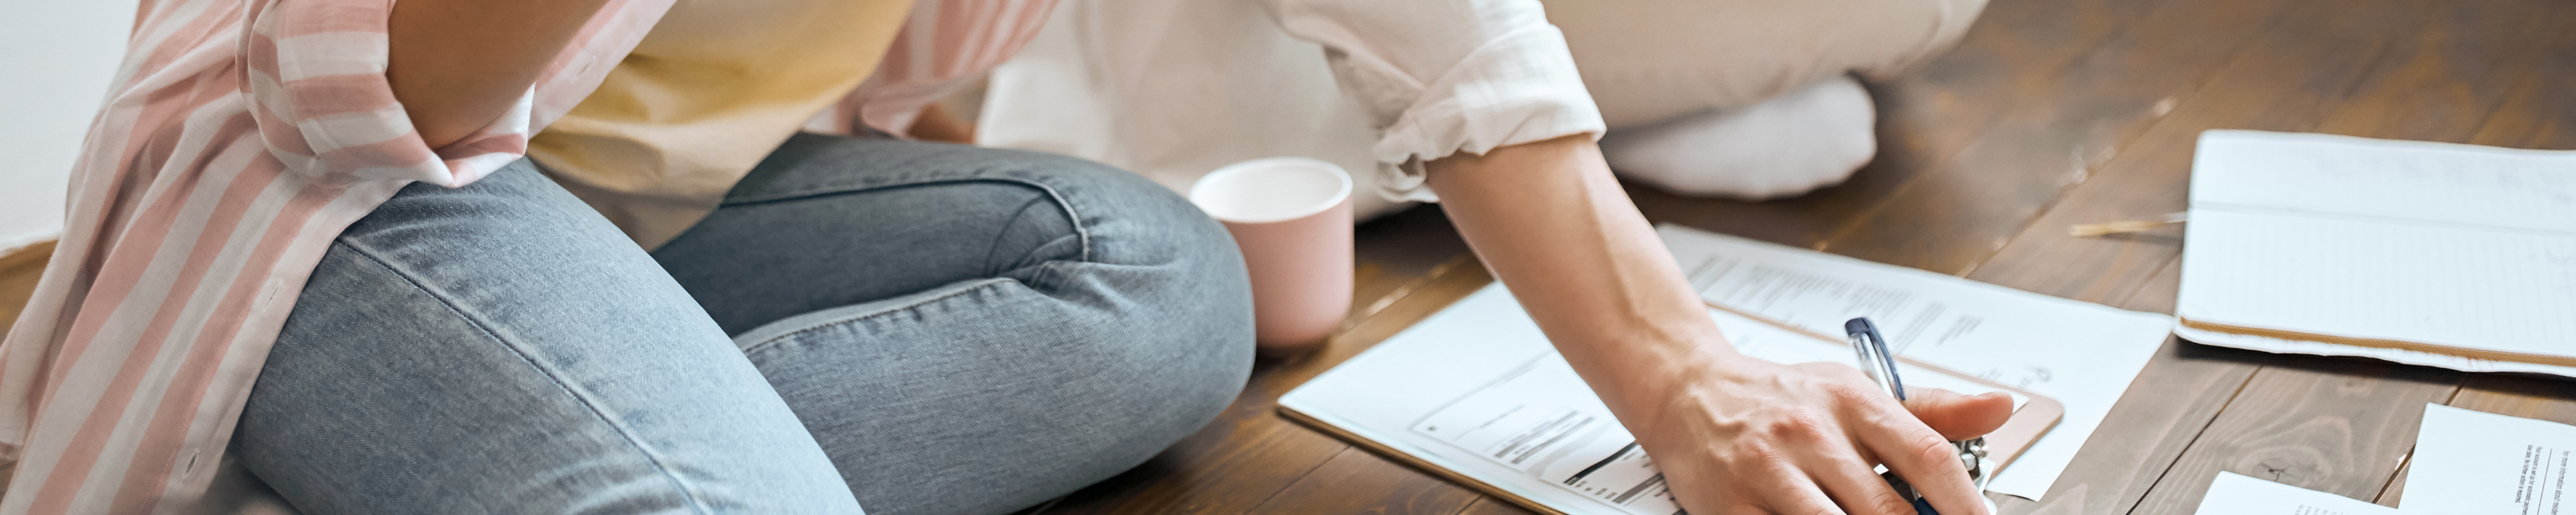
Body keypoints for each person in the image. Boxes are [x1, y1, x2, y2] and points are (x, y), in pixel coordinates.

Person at [0, 2, 2009, 515]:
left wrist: (1673, 367)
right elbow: (378, 91)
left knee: (1157, 275)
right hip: (360, 201)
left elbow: (1434, 23)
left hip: (692, 232)